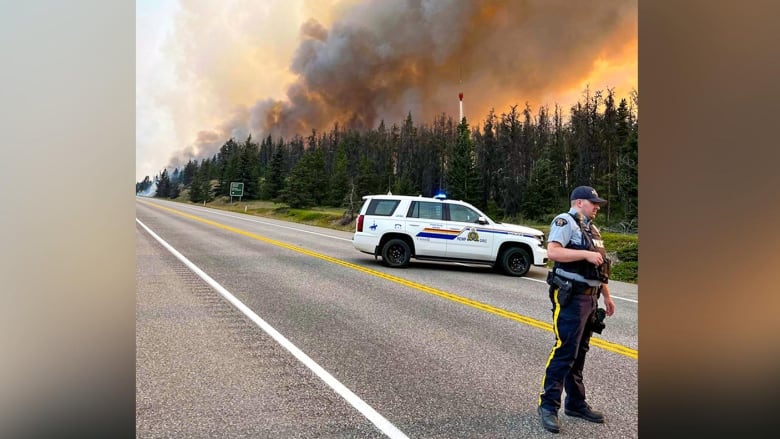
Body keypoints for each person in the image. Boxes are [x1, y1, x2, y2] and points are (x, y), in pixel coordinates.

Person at [537, 185, 616, 434]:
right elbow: (553, 252)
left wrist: (607, 297)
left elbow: (599, 267)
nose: (597, 207)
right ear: (579, 202)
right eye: (594, 203)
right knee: (565, 350)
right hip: (571, 297)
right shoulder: (565, 221)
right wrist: (584, 254)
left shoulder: (592, 229)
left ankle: (575, 403)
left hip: (590, 298)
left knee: (579, 352)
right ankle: (548, 406)